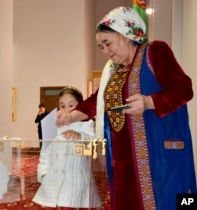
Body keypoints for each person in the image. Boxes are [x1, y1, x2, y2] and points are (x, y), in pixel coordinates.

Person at [56, 7, 197, 210]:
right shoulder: (114, 71)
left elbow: (184, 88)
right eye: (101, 46)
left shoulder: (155, 52)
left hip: (157, 153)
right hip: (123, 158)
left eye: (107, 43)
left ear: (126, 34)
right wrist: (70, 116)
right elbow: (98, 101)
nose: (105, 51)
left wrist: (149, 102)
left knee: (166, 201)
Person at [32, 86, 101, 210]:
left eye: (71, 105)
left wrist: (80, 136)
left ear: (80, 105)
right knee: (57, 204)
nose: (67, 110)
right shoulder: (52, 125)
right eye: (62, 106)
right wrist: (43, 174)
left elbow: (94, 146)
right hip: (54, 177)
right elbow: (45, 152)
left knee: (70, 205)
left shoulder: (86, 123)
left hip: (76, 178)